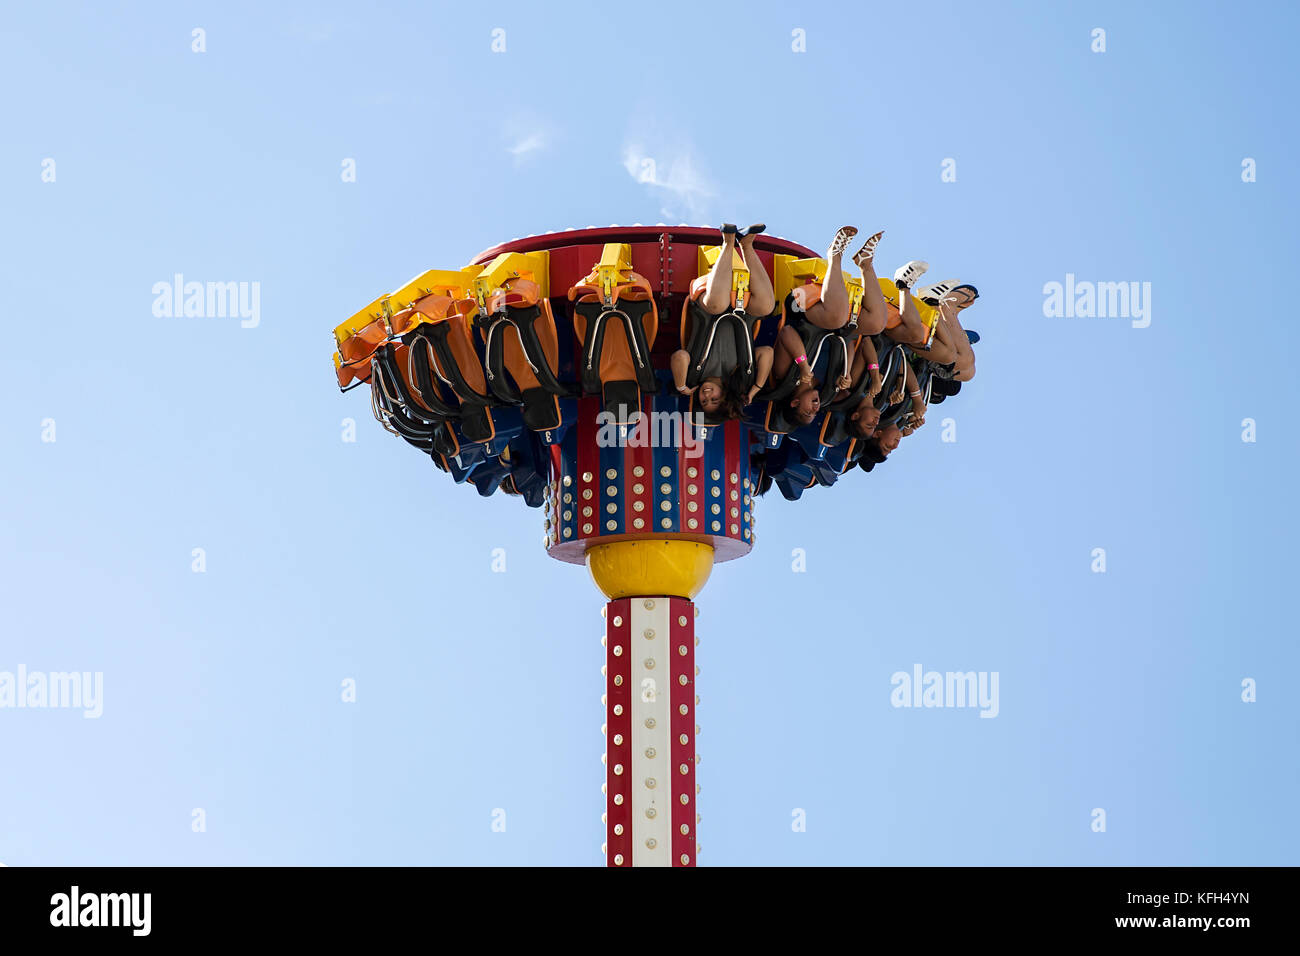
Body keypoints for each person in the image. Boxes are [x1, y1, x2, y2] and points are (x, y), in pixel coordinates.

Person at [671, 223, 776, 419]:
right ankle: (746, 244)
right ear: (726, 396)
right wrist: (756, 387)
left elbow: (680, 357)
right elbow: (767, 353)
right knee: (766, 307)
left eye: (703, 400)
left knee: (717, 305)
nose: (707, 395)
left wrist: (681, 385)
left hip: (707, 306)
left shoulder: (694, 376)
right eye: (714, 399)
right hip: (741, 308)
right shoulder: (742, 377)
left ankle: (728, 242)